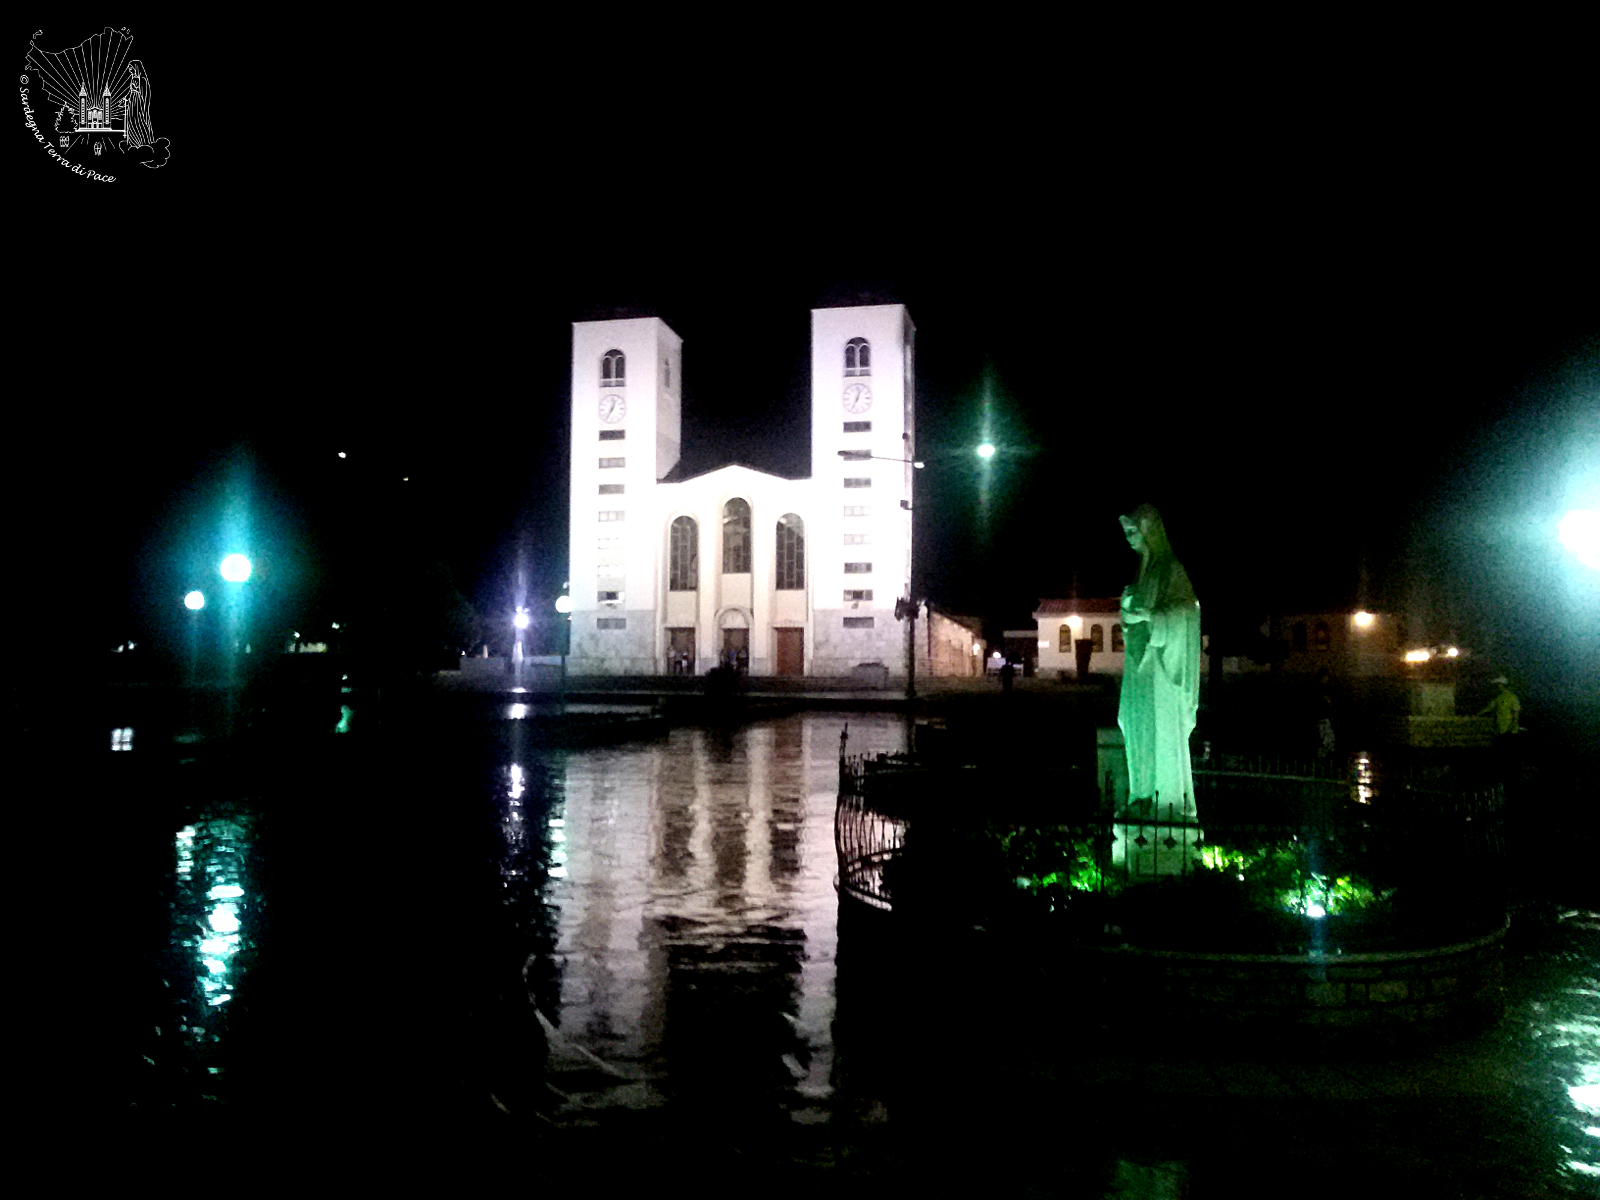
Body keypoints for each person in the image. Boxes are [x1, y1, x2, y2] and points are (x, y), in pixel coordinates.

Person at [1117, 504, 1202, 817]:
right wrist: (1128, 609)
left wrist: (1154, 617)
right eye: (1126, 532)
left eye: (1133, 531)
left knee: (1158, 730)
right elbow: (1133, 620)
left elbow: (1189, 610)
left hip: (1161, 669)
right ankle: (1141, 793)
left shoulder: (1170, 569)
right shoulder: (1142, 573)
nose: (1129, 538)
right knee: (1135, 723)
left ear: (1149, 531)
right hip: (1139, 667)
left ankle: (1165, 802)